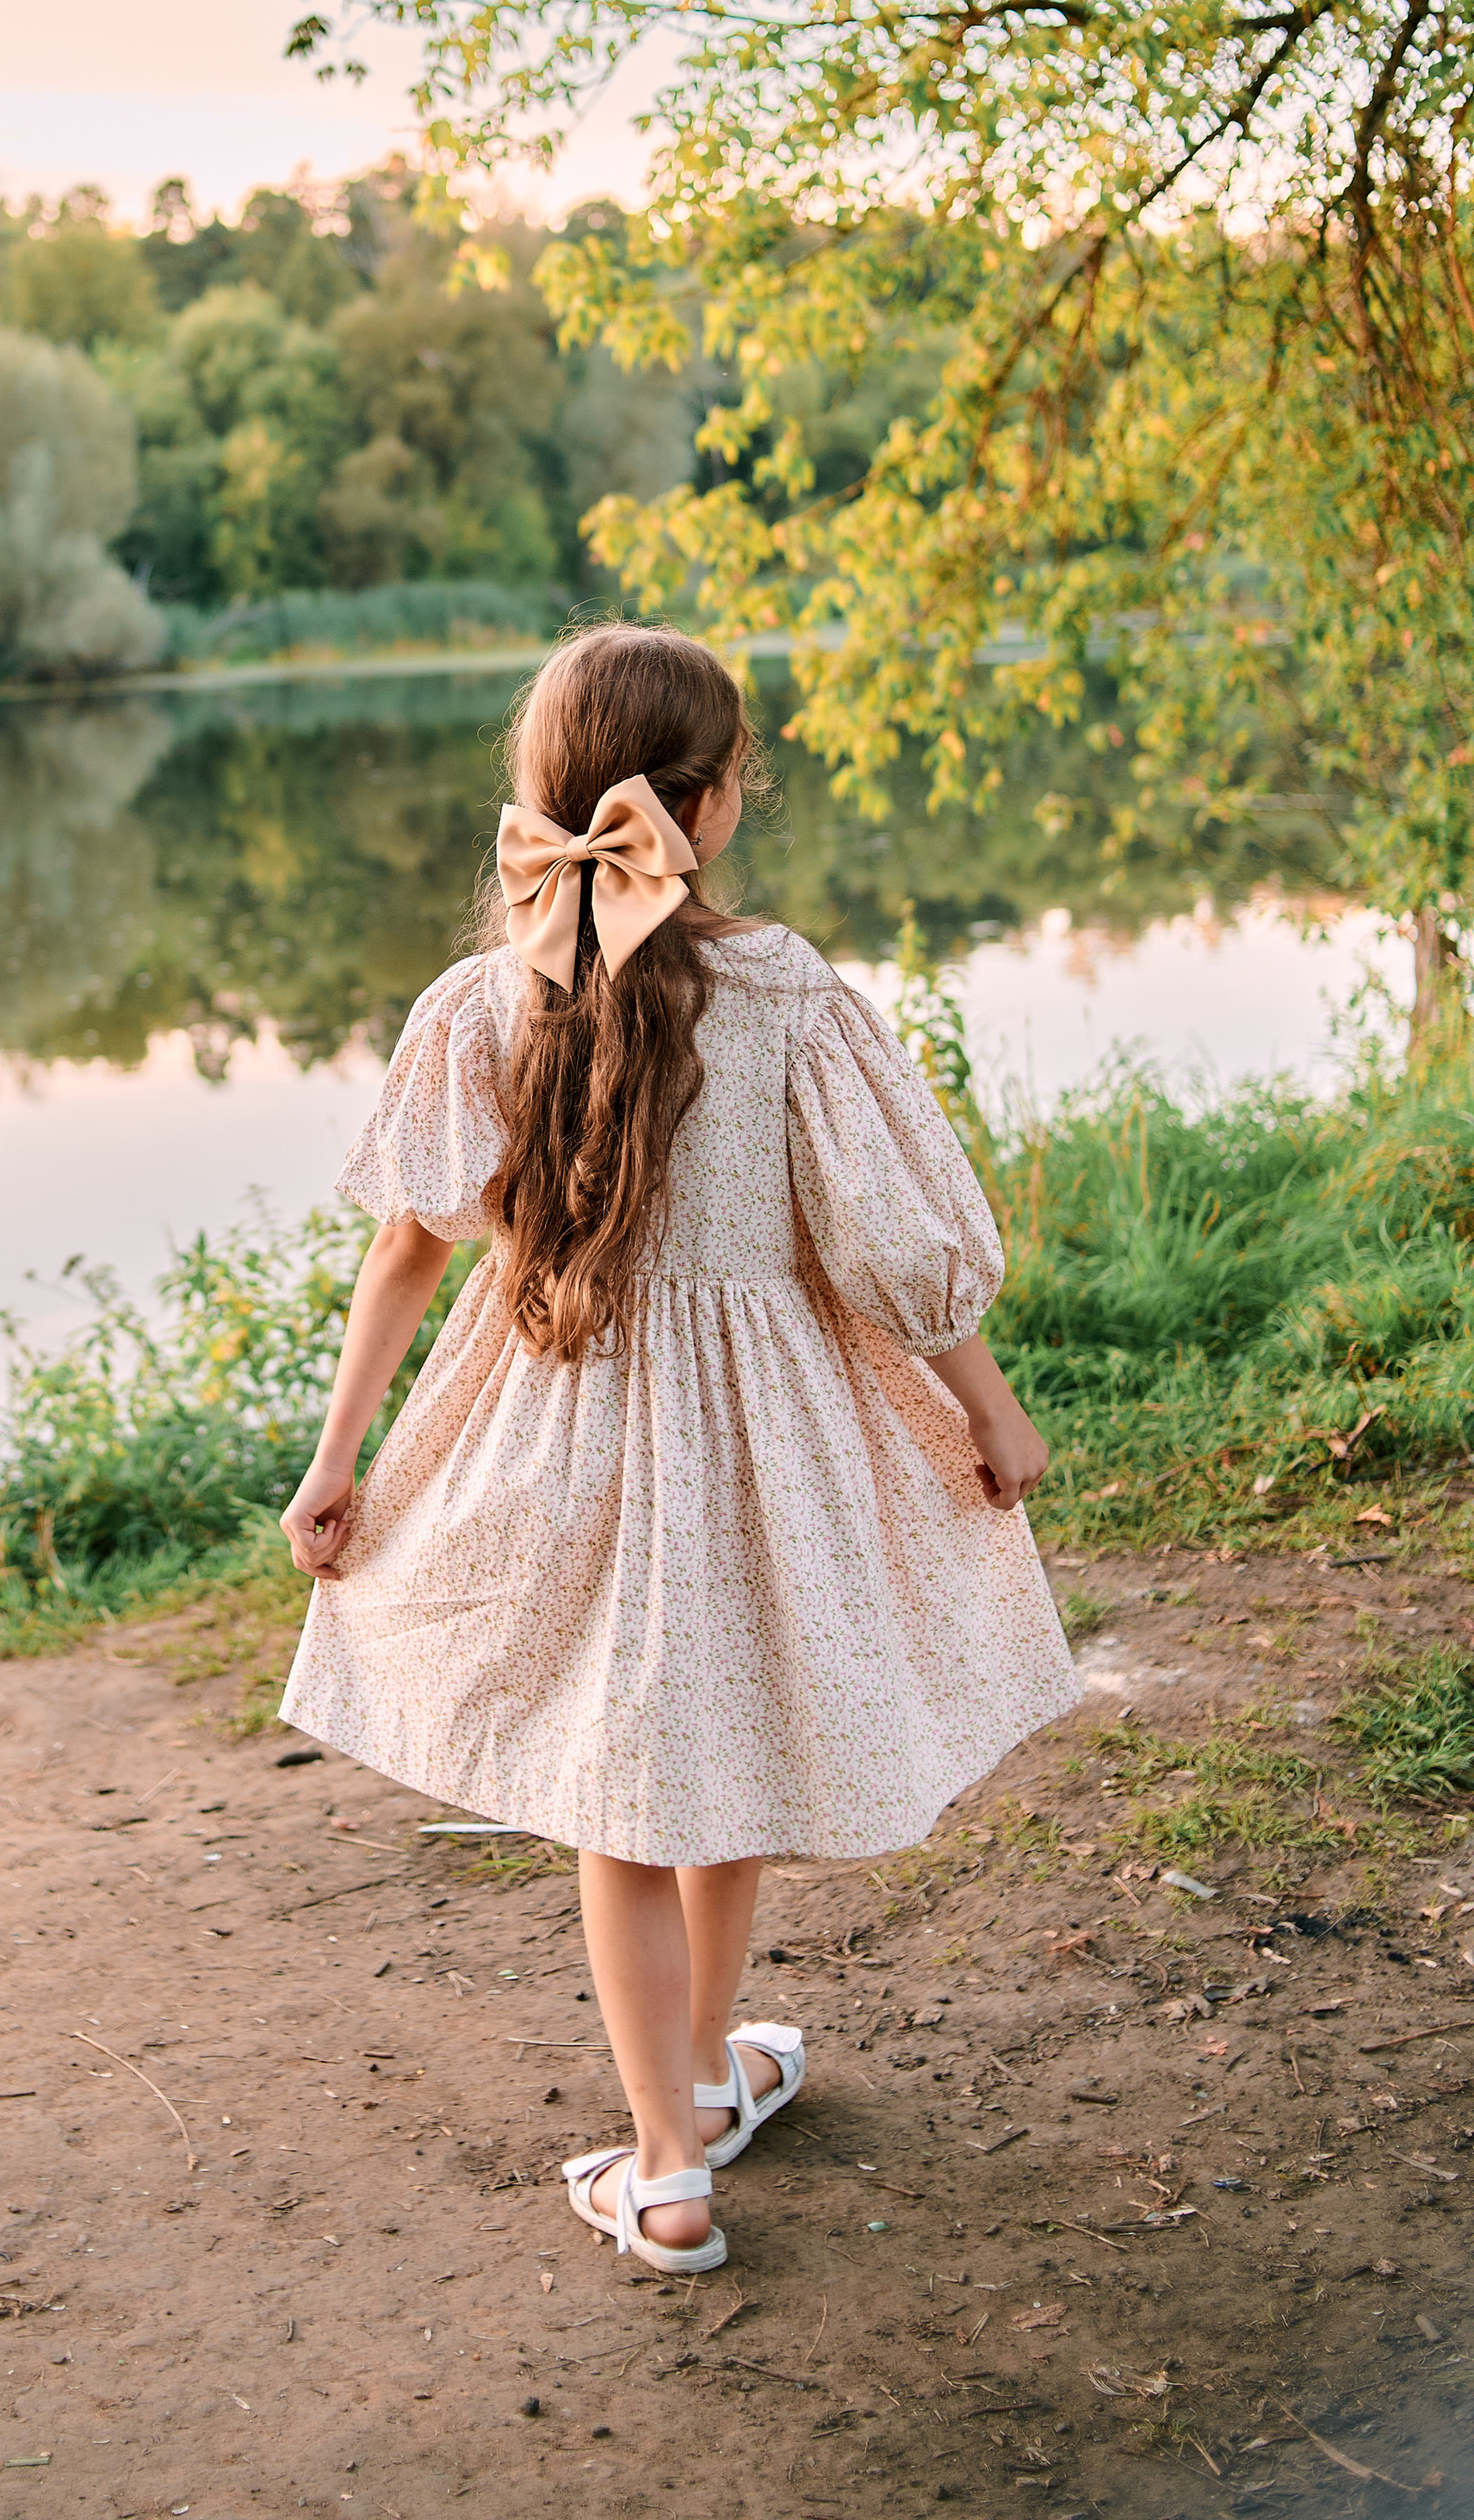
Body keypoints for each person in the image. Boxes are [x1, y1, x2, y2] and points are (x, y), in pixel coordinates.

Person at [278, 623, 1077, 2274]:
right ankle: (676, 2130)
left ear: (544, 798)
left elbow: (413, 1246)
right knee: (714, 1761)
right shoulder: (786, 990)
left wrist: (341, 1450)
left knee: (626, 1799)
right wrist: (986, 1407)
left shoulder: (479, 1004)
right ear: (709, 809)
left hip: (555, 1420)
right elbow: (885, 1245)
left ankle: (680, 2126)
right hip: (762, 1430)